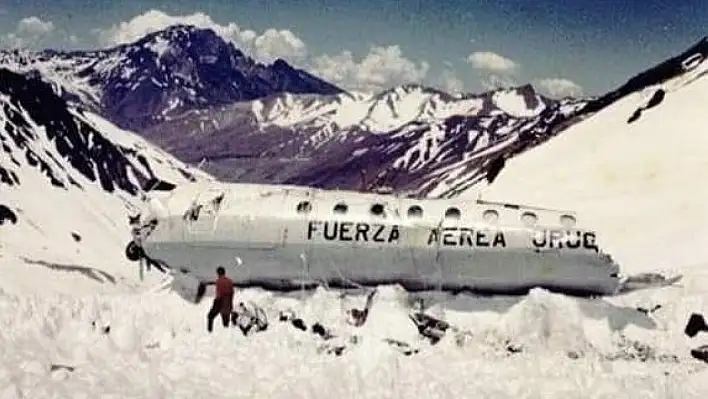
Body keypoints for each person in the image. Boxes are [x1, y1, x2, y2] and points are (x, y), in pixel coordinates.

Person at [207, 266, 234, 333]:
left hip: (220, 302)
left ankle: (209, 332)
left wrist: (215, 303)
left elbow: (218, 294)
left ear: (218, 273)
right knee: (225, 322)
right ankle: (226, 335)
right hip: (228, 303)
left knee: (210, 316)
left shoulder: (218, 281)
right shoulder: (230, 281)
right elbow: (232, 293)